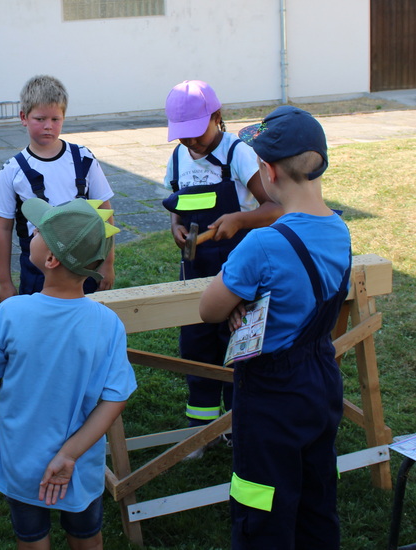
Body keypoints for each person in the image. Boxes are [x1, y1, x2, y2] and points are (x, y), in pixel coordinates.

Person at [199, 106, 351, 549]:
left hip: (272, 396)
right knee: (316, 493)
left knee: (261, 503)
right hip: (321, 381)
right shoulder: (339, 228)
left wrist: (240, 298)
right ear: (318, 162)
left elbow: (210, 309)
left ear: (266, 170)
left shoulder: (263, 244)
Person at [0, 198, 137, 549]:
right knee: (87, 534)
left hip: (20, 457)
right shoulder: (107, 323)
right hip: (79, 464)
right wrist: (70, 453)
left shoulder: (10, 313)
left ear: (50, 259)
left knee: (31, 537)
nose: (33, 232)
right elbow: (115, 397)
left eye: (39, 231)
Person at [161, 80, 281, 456]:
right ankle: (201, 429)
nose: (191, 143)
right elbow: (177, 205)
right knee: (196, 344)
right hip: (195, 270)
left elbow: (274, 207)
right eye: (183, 137)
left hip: (238, 268)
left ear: (217, 117)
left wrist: (239, 221)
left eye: (196, 134)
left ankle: (235, 422)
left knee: (236, 344)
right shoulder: (179, 158)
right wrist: (177, 226)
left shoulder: (239, 154)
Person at [0, 75, 116, 302]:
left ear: (64, 117)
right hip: (38, 271)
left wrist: (107, 264)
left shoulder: (84, 158)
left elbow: (105, 213)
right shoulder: (12, 170)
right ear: (23, 118)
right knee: (39, 332)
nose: (48, 126)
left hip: (83, 268)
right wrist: (4, 282)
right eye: (40, 118)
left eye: (55, 119)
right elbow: (3, 228)